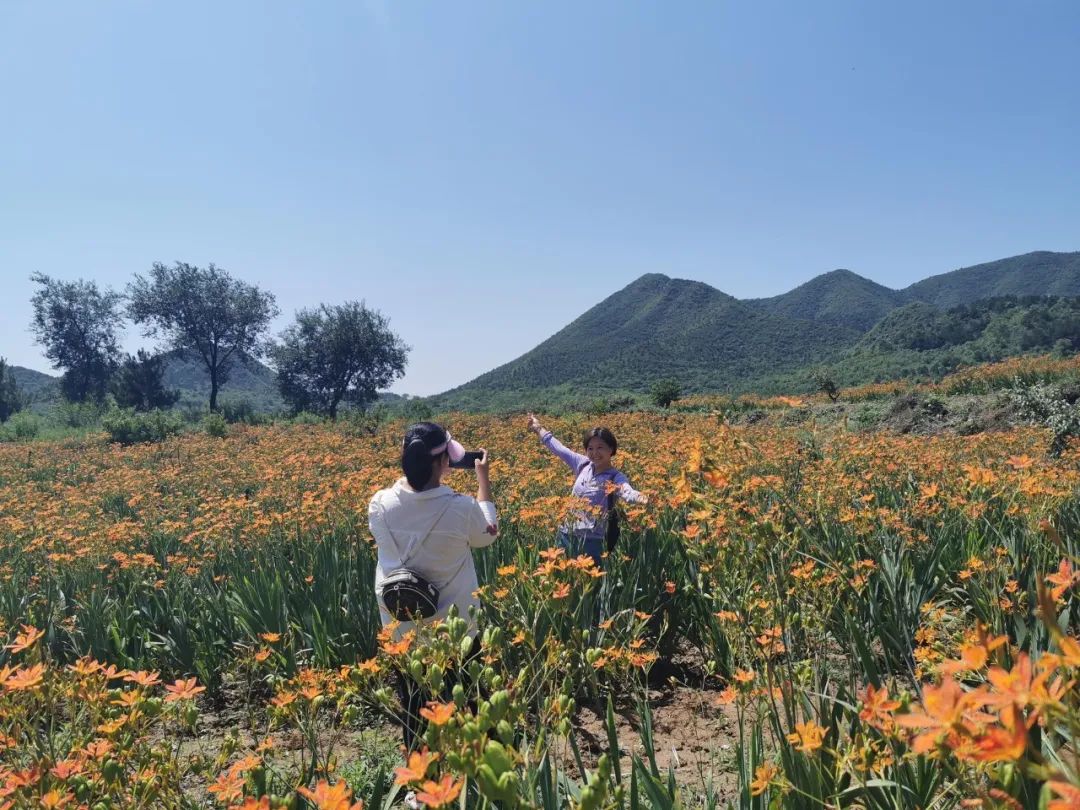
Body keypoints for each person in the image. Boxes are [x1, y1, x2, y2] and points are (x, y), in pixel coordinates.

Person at [368, 421, 497, 748]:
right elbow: (488, 535)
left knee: (414, 701)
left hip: (401, 625)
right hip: (455, 629)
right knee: (469, 695)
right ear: (443, 462)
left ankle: (420, 771)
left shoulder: (379, 503)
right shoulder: (461, 507)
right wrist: (483, 479)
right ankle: (479, 758)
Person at [527, 413, 646, 567]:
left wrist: (641, 497)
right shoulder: (583, 464)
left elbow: (626, 491)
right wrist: (538, 428)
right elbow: (559, 448)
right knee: (562, 575)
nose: (595, 453)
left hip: (592, 541)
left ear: (611, 449)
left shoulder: (615, 476)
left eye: (600, 447)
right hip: (566, 533)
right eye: (590, 448)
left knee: (589, 579)